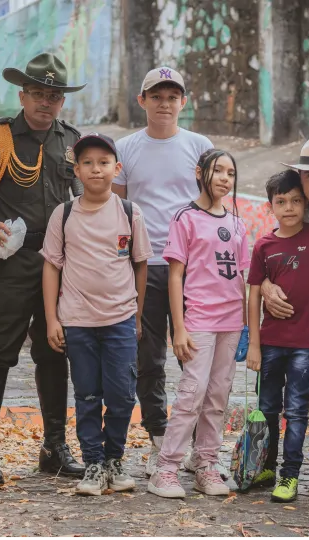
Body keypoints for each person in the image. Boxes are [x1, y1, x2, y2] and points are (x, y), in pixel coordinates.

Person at [0, 52, 87, 485]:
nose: (46, 102)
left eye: (54, 95)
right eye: (38, 94)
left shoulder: (71, 141)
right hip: (12, 263)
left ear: (62, 101)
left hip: (59, 264)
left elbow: (83, 198)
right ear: (22, 94)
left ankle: (54, 446)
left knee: (54, 351)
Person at [110, 66, 217, 478]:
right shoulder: (125, 148)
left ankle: (194, 444)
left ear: (183, 103)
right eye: (156, 96)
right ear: (142, 101)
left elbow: (214, 200)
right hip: (147, 266)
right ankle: (159, 436)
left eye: (172, 97)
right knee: (149, 357)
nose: (164, 104)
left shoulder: (199, 145)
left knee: (196, 355)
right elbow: (116, 210)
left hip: (195, 269)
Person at [40, 132, 152, 496]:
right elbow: (52, 266)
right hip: (77, 321)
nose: (96, 169)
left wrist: (136, 315)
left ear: (116, 168)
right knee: (87, 395)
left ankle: (115, 459)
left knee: (121, 395)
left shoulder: (130, 212)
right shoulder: (65, 213)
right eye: (87, 162)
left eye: (103, 162)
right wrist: (53, 318)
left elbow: (140, 264)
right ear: (76, 170)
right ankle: (93, 463)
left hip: (119, 319)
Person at [147, 149, 250, 498]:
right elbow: (175, 276)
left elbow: (241, 276)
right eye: (217, 170)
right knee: (192, 393)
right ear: (199, 172)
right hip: (199, 320)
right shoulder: (185, 217)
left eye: (230, 173)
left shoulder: (237, 222)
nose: (224, 178)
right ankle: (166, 469)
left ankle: (206, 464)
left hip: (232, 320)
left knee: (218, 395)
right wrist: (178, 326)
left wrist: (248, 324)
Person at [244, 170, 309, 503]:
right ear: (271, 205)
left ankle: (290, 475)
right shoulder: (264, 245)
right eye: (281, 202)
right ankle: (266, 467)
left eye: (296, 201)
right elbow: (255, 294)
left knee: (297, 412)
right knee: (268, 408)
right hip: (271, 343)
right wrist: (254, 345)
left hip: (307, 344)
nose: (289, 207)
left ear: (305, 203)